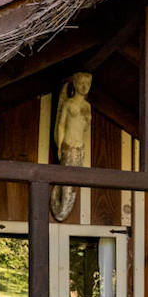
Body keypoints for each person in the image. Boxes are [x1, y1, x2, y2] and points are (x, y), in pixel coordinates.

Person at [51, 71, 92, 220]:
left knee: (75, 182)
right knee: (67, 181)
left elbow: (85, 128)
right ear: (75, 84)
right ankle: (60, 209)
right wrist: (60, 146)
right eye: (81, 83)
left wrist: (86, 119)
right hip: (68, 145)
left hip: (80, 147)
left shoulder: (87, 106)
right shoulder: (68, 103)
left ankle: (63, 209)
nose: (84, 86)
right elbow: (61, 125)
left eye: (87, 84)